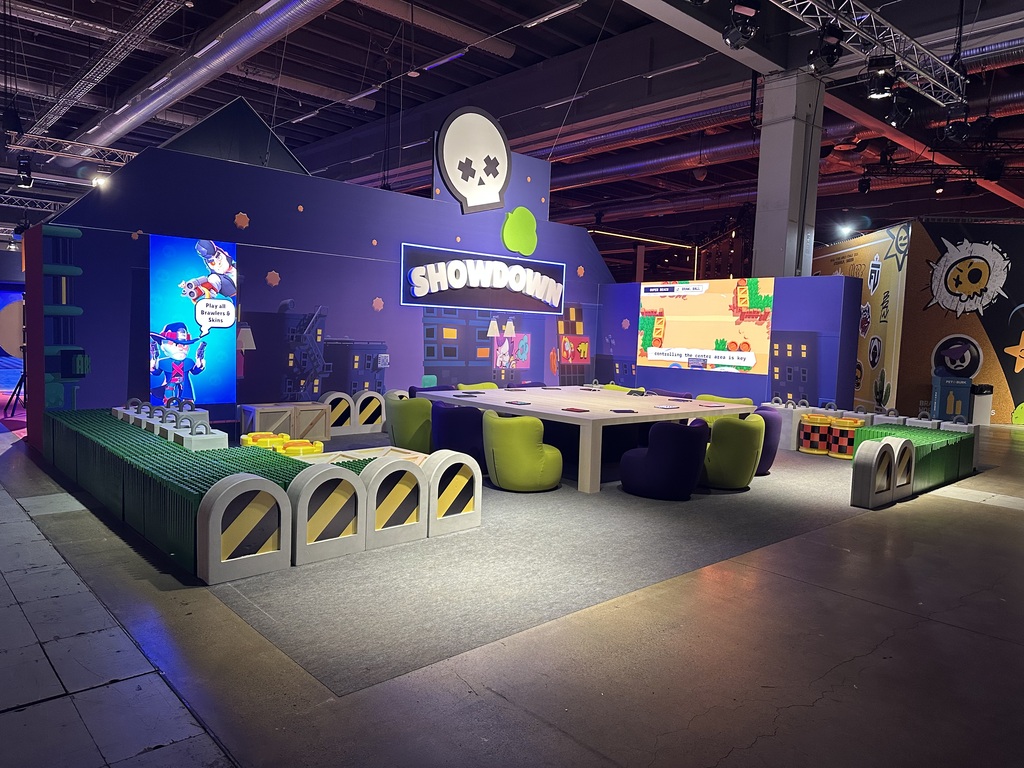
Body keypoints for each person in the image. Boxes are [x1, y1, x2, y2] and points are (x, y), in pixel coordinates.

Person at [150, 321, 206, 405]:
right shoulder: (163, 362)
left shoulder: (188, 362)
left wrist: (199, 361)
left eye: (184, 345)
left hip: (185, 385)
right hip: (169, 384)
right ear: (163, 345)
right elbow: (156, 372)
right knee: (169, 398)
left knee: (187, 401)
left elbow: (195, 371)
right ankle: (168, 402)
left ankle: (187, 401)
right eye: (175, 344)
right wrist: (154, 362)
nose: (181, 348)